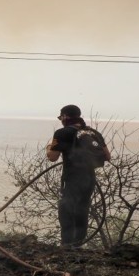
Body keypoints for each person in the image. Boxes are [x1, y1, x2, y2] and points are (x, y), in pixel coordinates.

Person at [45, 104, 111, 247]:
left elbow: (52, 157)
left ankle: (66, 247)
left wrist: (49, 146)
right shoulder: (93, 133)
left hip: (72, 179)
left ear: (65, 116)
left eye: (60, 117)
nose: (60, 120)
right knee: (82, 211)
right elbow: (107, 156)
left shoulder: (62, 133)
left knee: (66, 211)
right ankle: (78, 246)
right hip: (89, 179)